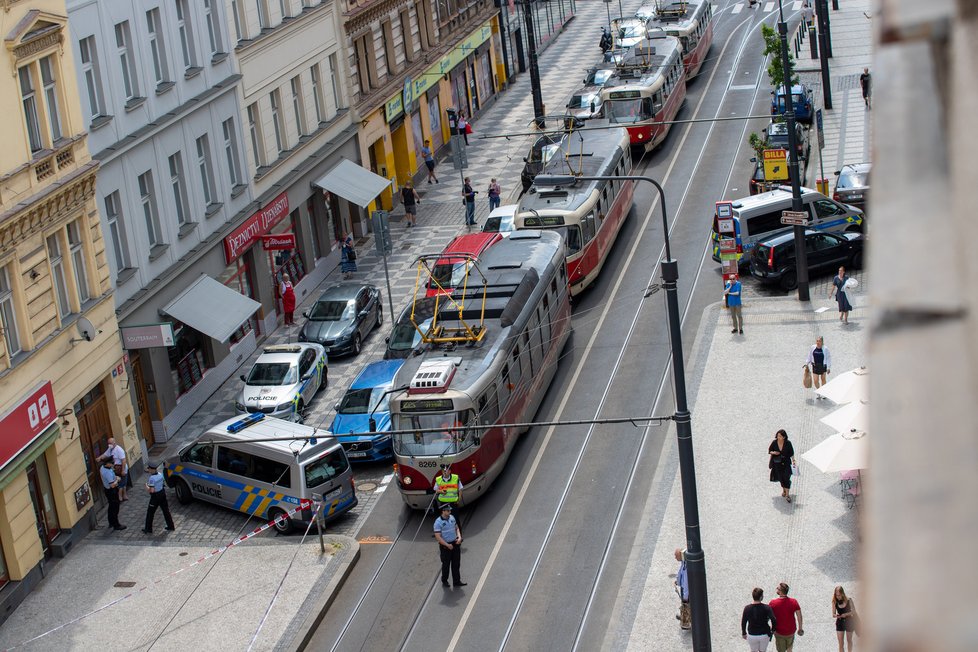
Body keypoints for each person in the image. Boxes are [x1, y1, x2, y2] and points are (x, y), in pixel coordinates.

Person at [433, 504, 466, 587]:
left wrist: (459, 537)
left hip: (455, 544)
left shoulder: (452, 518)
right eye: (448, 511)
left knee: (456, 564)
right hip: (445, 547)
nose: (450, 512)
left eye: (450, 510)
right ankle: (444, 580)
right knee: (446, 565)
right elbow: (438, 537)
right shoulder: (438, 522)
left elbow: (457, 528)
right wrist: (447, 545)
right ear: (443, 511)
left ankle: (457, 581)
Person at [142, 462, 175, 534]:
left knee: (150, 512)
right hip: (162, 494)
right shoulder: (160, 475)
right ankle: (171, 526)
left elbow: (152, 490)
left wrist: (146, 487)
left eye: (149, 469)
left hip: (155, 497)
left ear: (151, 469)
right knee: (166, 511)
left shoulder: (152, 478)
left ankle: (148, 529)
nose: (148, 470)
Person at [770, 583, 804, 652]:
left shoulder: (773, 603)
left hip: (779, 632)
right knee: (789, 648)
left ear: (780, 591)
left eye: (777, 588)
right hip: (791, 631)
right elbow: (799, 616)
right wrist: (800, 628)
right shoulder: (794, 602)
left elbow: (769, 616)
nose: (776, 589)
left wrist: (771, 627)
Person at [742, 587, 776, 651]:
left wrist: (744, 632)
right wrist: (773, 629)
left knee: (753, 650)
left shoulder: (747, 608)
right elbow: (773, 619)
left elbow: (744, 621)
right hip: (764, 634)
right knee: (763, 650)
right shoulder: (767, 608)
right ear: (761, 597)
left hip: (752, 634)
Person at [769, 429, 796, 503]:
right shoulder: (774, 442)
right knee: (781, 478)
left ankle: (787, 494)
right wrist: (774, 452)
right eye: (777, 436)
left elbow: (791, 453)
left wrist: (793, 461)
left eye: (780, 436)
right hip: (777, 464)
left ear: (784, 437)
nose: (778, 437)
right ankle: (784, 489)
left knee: (786, 477)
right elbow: (769, 450)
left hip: (786, 463)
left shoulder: (788, 443)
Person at [100, 458, 126, 531]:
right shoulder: (107, 472)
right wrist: (117, 479)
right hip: (111, 491)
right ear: (107, 463)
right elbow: (112, 485)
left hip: (107, 490)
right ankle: (116, 525)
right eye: (111, 463)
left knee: (111, 507)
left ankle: (111, 522)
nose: (113, 464)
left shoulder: (102, 467)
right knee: (115, 507)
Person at [832, 586, 857, 652]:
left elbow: (854, 611)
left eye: (839, 595)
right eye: (836, 595)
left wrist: (845, 614)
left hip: (849, 622)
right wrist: (837, 616)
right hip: (840, 622)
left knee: (849, 641)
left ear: (842, 593)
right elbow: (833, 614)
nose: (838, 597)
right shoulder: (834, 601)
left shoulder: (849, 600)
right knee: (841, 643)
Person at [674, 548, 691, 630]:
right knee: (686, 606)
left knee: (687, 606)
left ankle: (687, 622)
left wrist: (685, 597)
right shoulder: (683, 563)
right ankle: (684, 618)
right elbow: (680, 573)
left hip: (686, 591)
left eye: (676, 555)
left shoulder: (686, 566)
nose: (675, 557)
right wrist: (678, 581)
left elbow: (686, 582)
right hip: (683, 588)